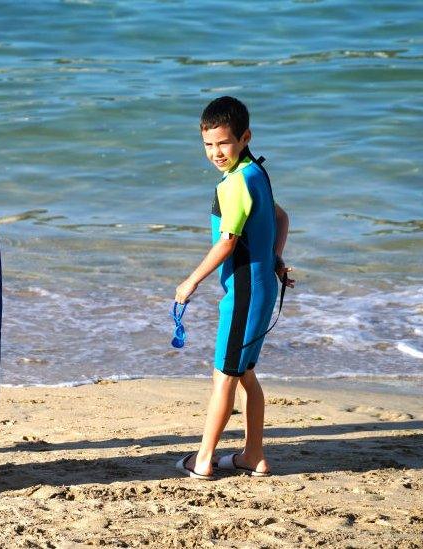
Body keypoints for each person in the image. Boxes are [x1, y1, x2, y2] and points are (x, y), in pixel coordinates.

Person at [174, 96, 294, 480]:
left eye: (224, 143)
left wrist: (190, 281)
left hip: (244, 294)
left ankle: (204, 460)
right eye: (208, 144)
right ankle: (253, 455)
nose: (215, 152)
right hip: (258, 291)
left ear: (244, 137)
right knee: (245, 374)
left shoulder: (235, 185)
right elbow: (279, 216)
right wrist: (274, 259)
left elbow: (226, 243)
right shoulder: (255, 172)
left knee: (224, 375)